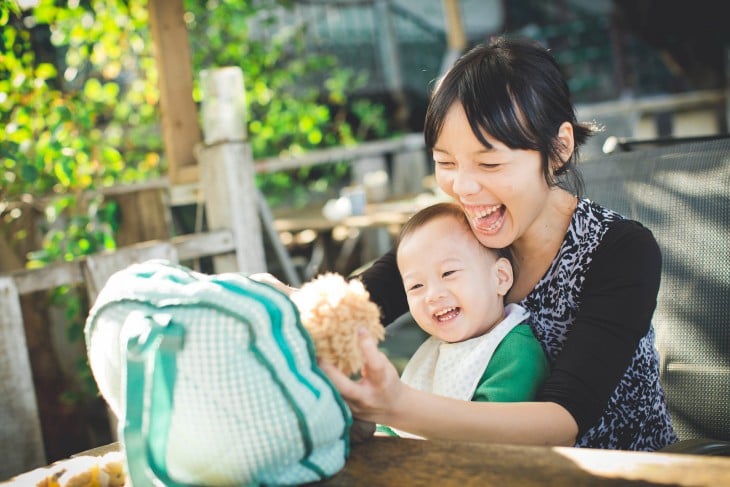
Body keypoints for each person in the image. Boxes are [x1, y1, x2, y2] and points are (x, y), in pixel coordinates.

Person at [318, 36, 678, 451]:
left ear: (558, 149)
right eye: (446, 162)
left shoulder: (621, 251)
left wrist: (395, 406)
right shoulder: (460, 230)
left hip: (620, 471)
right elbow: (352, 304)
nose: (464, 188)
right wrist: (284, 304)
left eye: (490, 163)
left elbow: (561, 423)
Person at [378, 201, 549, 438]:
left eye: (448, 273)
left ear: (500, 277)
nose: (432, 295)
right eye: (416, 285)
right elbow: (393, 425)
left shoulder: (514, 352)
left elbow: (491, 435)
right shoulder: (433, 351)